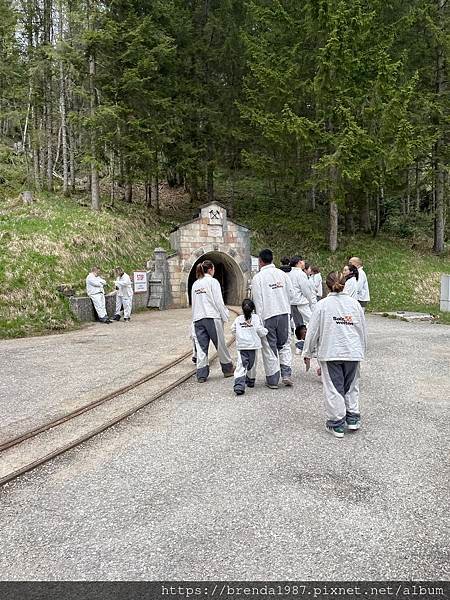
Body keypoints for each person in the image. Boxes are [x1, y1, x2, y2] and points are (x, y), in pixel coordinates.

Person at [302, 271, 367, 438]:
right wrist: (361, 350)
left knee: (334, 388)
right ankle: (353, 418)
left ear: (327, 285)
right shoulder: (355, 304)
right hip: (352, 351)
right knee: (351, 386)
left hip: (331, 352)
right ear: (344, 284)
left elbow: (312, 331)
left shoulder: (322, 305)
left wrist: (307, 352)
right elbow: (362, 330)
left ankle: (337, 423)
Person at [251, 248, 295, 388]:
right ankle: (286, 373)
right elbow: (291, 294)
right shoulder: (282, 274)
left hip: (268, 316)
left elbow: (258, 301)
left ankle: (273, 380)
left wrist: (260, 321)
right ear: (272, 259)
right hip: (284, 314)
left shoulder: (258, 278)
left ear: (260, 261)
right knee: (285, 344)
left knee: (269, 348)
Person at [191, 259, 233, 382]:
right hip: (212, 317)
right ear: (210, 269)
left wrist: (193, 321)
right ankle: (227, 369)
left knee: (201, 347)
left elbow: (194, 304)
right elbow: (219, 302)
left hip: (198, 319)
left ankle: (201, 374)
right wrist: (225, 317)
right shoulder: (213, 282)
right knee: (220, 344)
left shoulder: (195, 284)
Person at [231, 298, 268, 396]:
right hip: (253, 346)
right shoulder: (256, 318)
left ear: (242, 309)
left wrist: (239, 336)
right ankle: (250, 381)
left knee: (241, 365)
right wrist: (266, 331)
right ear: (253, 309)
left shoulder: (238, 319)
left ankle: (239, 385)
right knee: (252, 365)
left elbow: (233, 330)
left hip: (242, 346)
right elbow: (260, 330)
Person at [288, 256, 314, 327]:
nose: (304, 263)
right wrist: (310, 302)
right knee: (313, 321)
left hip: (292, 303)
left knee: (297, 324)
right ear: (299, 262)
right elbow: (306, 291)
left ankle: (299, 337)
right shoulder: (301, 274)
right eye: (303, 261)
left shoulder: (289, 274)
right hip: (301, 303)